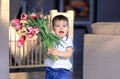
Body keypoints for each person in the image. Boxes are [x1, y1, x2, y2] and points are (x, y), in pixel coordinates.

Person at [44, 15, 74, 79]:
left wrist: (58, 53)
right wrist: (48, 53)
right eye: (57, 26)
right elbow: (46, 53)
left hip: (62, 71)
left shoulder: (68, 41)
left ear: (68, 28)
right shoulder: (50, 40)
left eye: (64, 26)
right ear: (53, 28)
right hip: (50, 69)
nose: (61, 28)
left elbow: (69, 53)